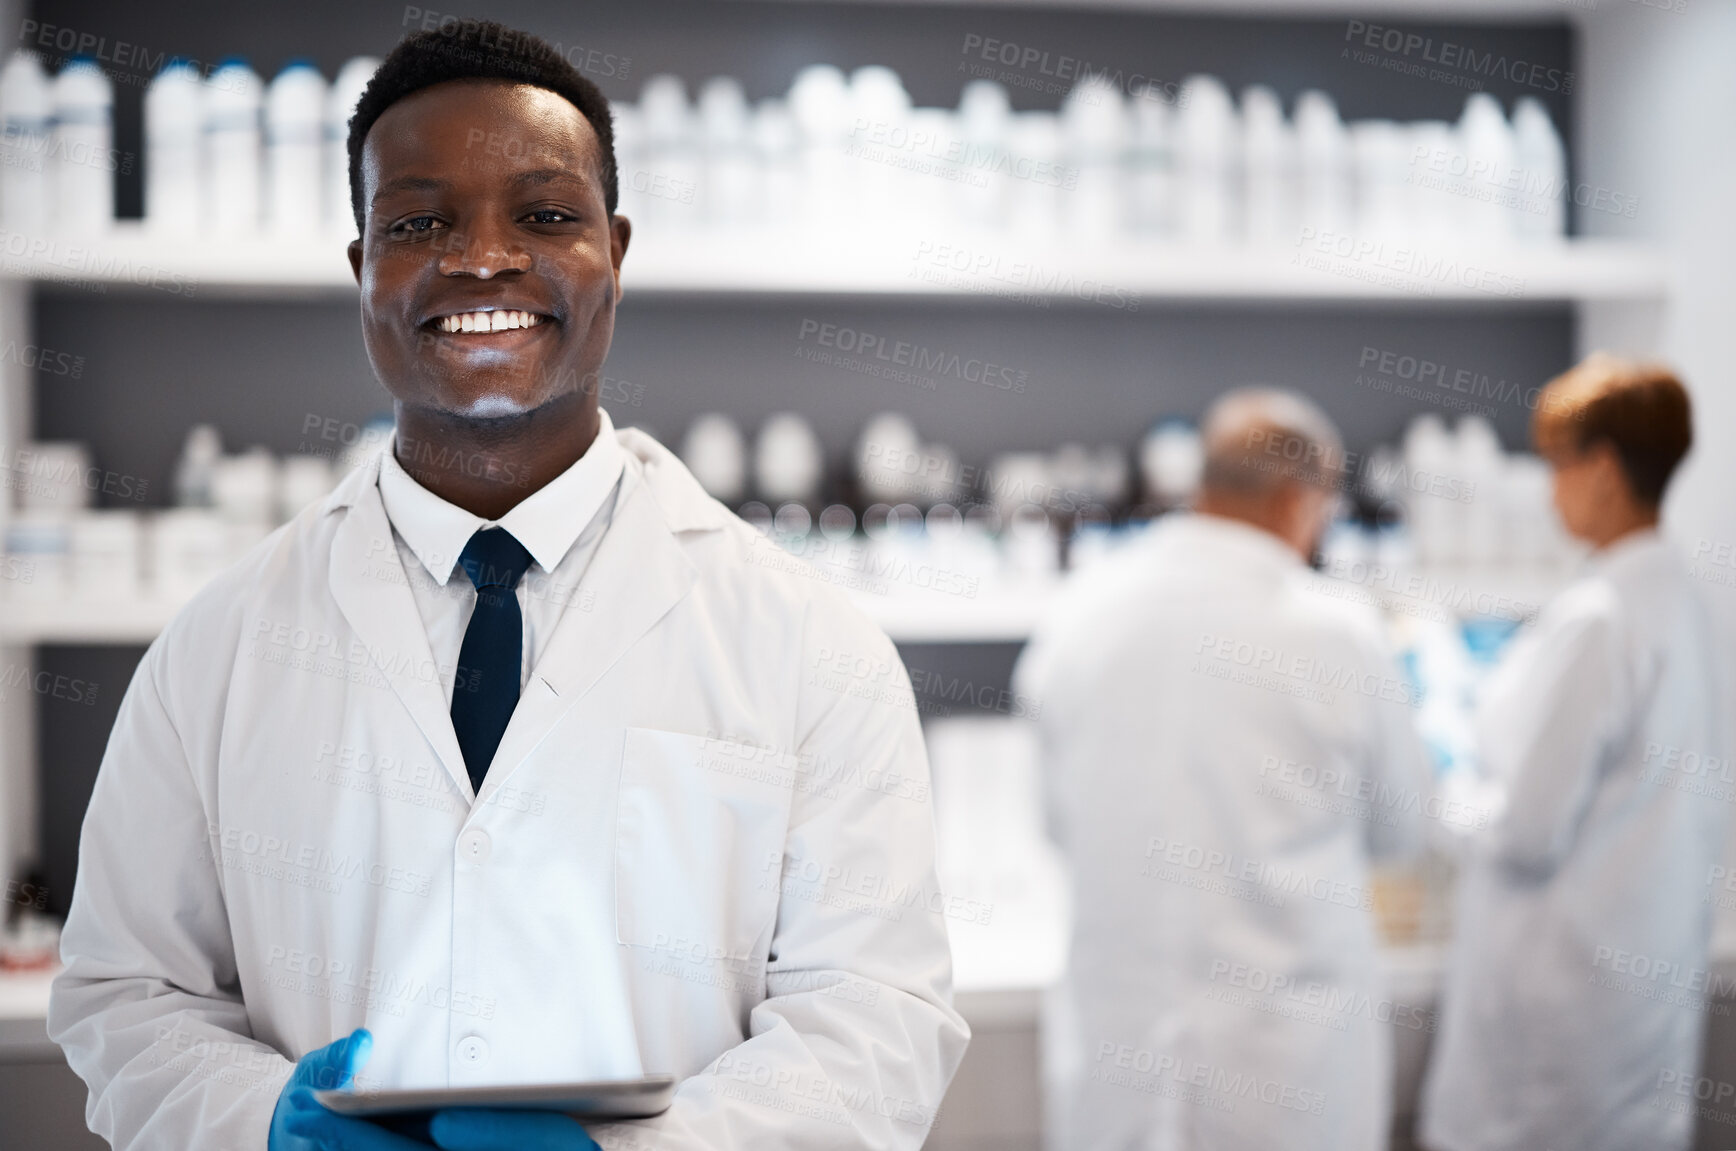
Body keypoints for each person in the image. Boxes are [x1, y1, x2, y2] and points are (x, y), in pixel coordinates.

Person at [47, 22, 967, 1151]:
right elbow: (124, 998)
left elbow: (874, 1017)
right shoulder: (217, 646)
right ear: (362, 270)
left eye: (543, 215)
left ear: (615, 254)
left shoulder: (807, 642)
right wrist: (262, 1124)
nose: (481, 258)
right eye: (418, 221)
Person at [1015, 388, 1433, 1151]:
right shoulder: (1337, 632)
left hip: (1122, 1062)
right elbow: (1403, 828)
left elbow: (1055, 823)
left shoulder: (1080, 611)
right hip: (1286, 1074)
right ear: (1300, 498)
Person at [1418, 355, 1729, 1151]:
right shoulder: (1676, 596)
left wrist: (1440, 779)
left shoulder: (1598, 619)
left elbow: (1525, 830)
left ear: (1604, 469)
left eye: (1558, 465)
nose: (1550, 489)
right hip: (1632, 992)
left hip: (1559, 1022)